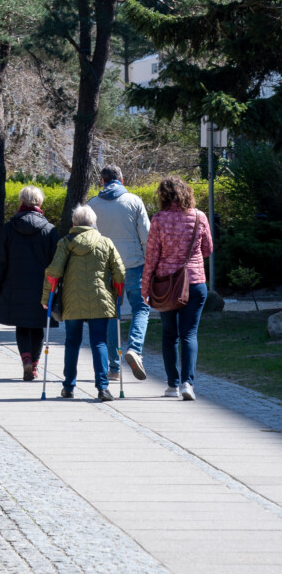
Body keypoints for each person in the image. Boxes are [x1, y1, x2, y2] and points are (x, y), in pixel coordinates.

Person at [143, 174, 212, 400]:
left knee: (169, 334)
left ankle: (172, 385)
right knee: (189, 334)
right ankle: (187, 384)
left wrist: (145, 288)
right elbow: (208, 249)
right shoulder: (200, 217)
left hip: (167, 285)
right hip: (195, 282)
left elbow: (152, 257)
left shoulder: (159, 219)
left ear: (163, 196)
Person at [46, 203, 124, 401]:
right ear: (94, 223)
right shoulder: (105, 242)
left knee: (72, 342)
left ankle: (69, 386)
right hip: (101, 300)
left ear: (74, 223)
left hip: (72, 301)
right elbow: (119, 273)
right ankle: (103, 388)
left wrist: (46, 298)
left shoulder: (66, 242)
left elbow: (53, 273)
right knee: (99, 342)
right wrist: (116, 294)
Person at [87, 164, 151, 382]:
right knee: (141, 308)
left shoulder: (92, 204)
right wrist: (149, 263)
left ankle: (114, 367)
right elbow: (146, 236)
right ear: (121, 180)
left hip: (105, 267)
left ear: (102, 181)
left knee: (111, 315)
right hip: (133, 264)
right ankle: (135, 348)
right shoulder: (134, 201)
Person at [0, 184, 58, 380]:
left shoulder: (9, 228)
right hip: (41, 287)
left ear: (22, 202)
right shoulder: (49, 230)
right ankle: (35, 366)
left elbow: (1, 260)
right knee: (37, 326)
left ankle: (26, 360)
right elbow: (56, 262)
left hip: (15, 285)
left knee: (21, 326)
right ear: (39, 202)